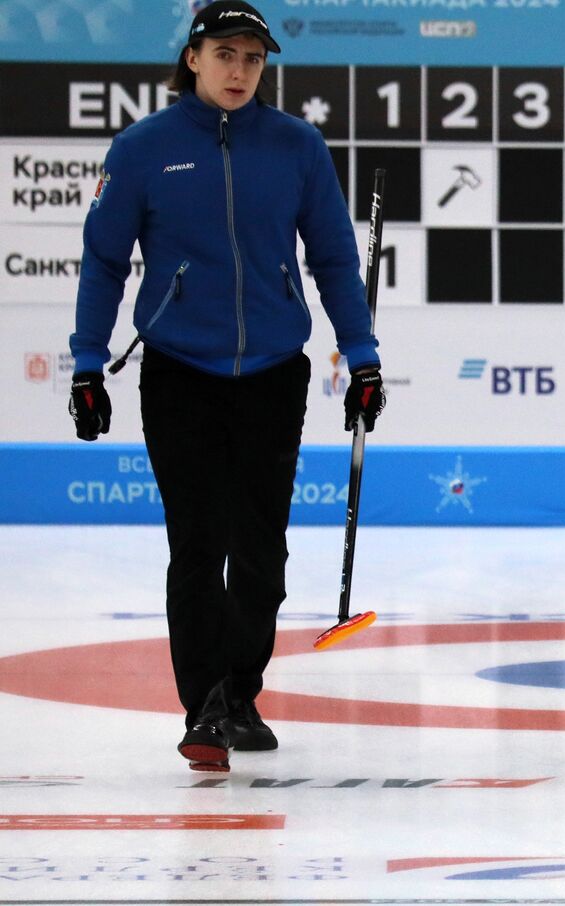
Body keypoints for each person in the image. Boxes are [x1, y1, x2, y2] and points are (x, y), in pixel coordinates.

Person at [66, 0, 387, 772]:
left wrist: (363, 354)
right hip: (180, 373)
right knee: (197, 544)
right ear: (193, 58)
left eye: (253, 58)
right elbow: (104, 260)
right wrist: (86, 362)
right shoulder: (144, 148)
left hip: (274, 371)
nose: (240, 71)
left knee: (261, 551)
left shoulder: (296, 146)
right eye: (225, 55)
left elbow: (336, 260)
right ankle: (205, 705)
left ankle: (241, 689)